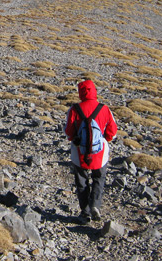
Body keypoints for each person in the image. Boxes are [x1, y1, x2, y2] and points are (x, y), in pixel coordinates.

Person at [64, 79, 117, 223]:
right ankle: (95, 205)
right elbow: (112, 131)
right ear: (94, 91)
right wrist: (104, 139)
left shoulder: (75, 109)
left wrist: (75, 139)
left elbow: (68, 132)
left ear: (80, 92)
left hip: (79, 153)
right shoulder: (104, 109)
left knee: (81, 181)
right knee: (99, 179)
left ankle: (85, 212)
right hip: (100, 154)